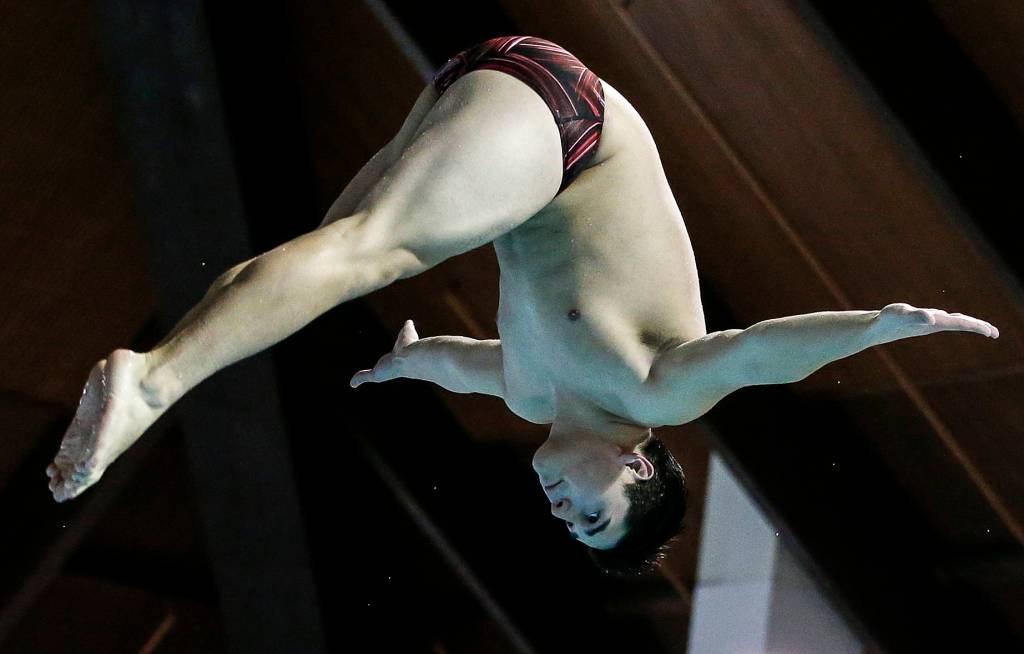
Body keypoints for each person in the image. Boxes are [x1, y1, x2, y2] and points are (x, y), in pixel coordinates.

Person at [46, 36, 999, 575]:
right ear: (637, 463)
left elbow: (458, 358)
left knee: (315, 264)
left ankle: (165, 364)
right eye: (590, 516)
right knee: (364, 254)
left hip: (492, 102)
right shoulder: (658, 391)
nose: (559, 513)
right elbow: (757, 352)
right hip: (572, 132)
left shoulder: (532, 396)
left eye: (569, 528)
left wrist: (406, 362)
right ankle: (153, 381)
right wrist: (874, 330)